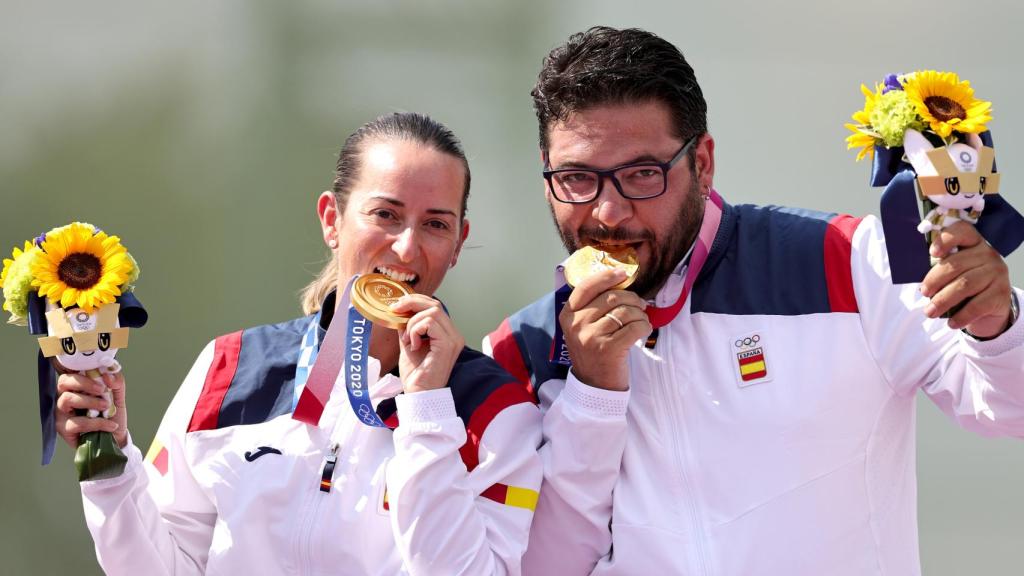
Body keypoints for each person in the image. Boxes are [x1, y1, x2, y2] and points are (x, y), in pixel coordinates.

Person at [483, 26, 1024, 576]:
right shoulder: (518, 350)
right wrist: (591, 395)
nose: (608, 213)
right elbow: (537, 565)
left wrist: (999, 327)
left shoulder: (845, 261)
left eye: (641, 174)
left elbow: (1010, 410)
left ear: (703, 164)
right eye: (576, 178)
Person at [56, 112, 542, 575]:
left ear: (458, 243)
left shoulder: (498, 413)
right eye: (386, 214)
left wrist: (427, 413)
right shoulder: (228, 368)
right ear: (332, 220)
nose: (407, 247)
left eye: (435, 224)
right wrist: (111, 467)